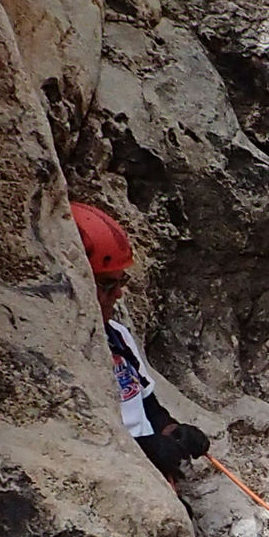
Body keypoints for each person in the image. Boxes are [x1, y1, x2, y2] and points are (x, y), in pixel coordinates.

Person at [72, 201, 209, 483]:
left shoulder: (117, 337)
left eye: (120, 283)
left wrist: (174, 432)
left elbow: (149, 408)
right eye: (107, 285)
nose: (118, 295)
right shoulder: (67, 355)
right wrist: (145, 448)